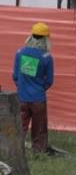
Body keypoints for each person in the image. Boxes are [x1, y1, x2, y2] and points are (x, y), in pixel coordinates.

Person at [12, 22, 54, 152]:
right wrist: (39, 88)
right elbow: (49, 81)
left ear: (31, 36)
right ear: (46, 38)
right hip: (38, 99)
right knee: (39, 127)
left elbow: (15, 76)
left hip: (21, 97)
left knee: (20, 125)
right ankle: (39, 151)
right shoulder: (46, 57)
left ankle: (16, 149)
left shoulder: (20, 53)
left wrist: (22, 87)